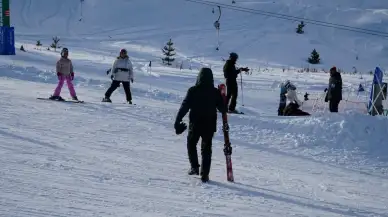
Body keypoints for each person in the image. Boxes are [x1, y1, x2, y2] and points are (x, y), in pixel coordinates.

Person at [174, 67, 227, 182]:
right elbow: (223, 109)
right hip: (209, 124)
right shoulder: (215, 92)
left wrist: (178, 120)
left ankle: (194, 167)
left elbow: (185, 106)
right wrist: (223, 98)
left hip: (195, 124)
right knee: (206, 148)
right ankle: (205, 174)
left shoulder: (193, 90)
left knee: (191, 144)